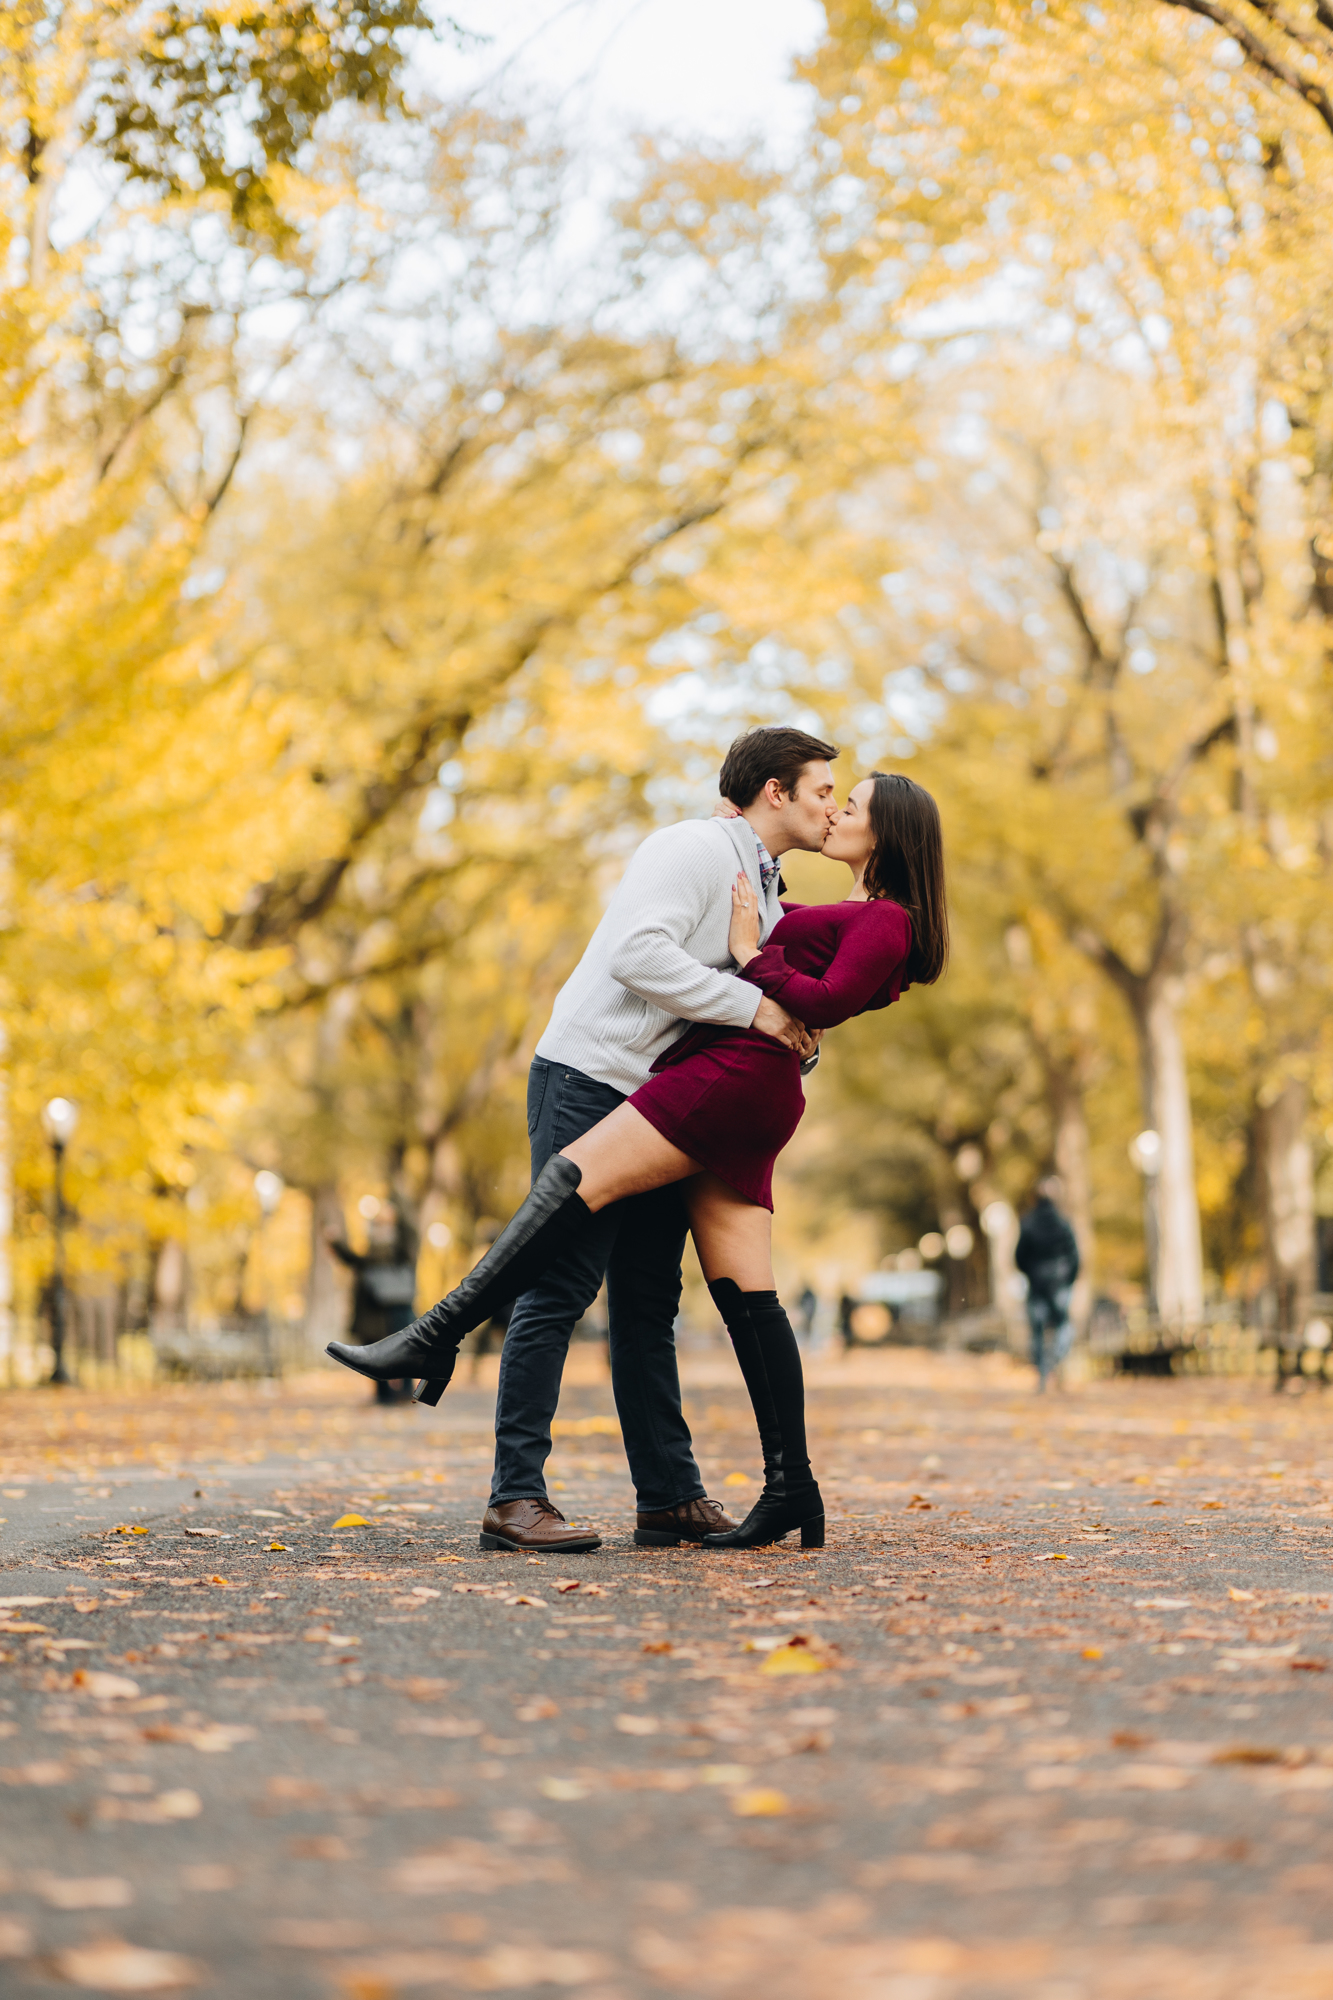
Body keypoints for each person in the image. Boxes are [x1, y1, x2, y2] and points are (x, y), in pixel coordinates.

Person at [329, 756, 949, 1552]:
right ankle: (535, 1483)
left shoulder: (836, 905)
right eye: (827, 794)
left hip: (703, 1088)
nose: (833, 810)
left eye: (847, 802)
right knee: (593, 1285)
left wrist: (769, 991)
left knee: (643, 1289)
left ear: (886, 832)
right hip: (609, 1076)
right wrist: (766, 1002)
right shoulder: (701, 851)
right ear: (775, 792)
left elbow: (812, 998)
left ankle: (461, 1353)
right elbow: (654, 961)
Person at [324, 1207, 419, 1405]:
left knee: (399, 1351)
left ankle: (400, 1392)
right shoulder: (376, 1248)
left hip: (393, 1310)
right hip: (376, 1313)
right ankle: (388, 1394)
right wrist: (336, 1244)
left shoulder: (397, 1248)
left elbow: (358, 1261)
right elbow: (356, 1261)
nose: (379, 1228)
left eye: (383, 1223)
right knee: (381, 1352)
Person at [1015, 1178, 1080, 1392]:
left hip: (1037, 1284)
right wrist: (1068, 1278)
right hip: (1060, 1283)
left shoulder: (1028, 1222)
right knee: (1063, 1326)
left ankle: (1043, 1372)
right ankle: (1056, 1361)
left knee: (1037, 1331)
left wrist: (1031, 1273)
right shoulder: (1063, 1222)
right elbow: (1074, 1256)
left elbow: (1019, 1257)